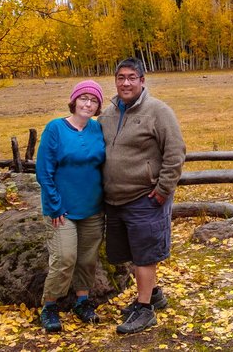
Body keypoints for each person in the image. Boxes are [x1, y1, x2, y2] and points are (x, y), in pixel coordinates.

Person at [99, 57, 185, 335]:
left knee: (145, 255)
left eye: (131, 77)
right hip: (115, 198)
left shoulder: (158, 111)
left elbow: (175, 153)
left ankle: (145, 310)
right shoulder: (108, 114)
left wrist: (162, 192)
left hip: (145, 197)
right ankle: (153, 294)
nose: (125, 82)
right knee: (131, 253)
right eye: (121, 77)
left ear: (142, 80)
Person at [35, 79, 107, 333]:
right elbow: (44, 171)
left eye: (94, 100)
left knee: (87, 260)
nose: (88, 103)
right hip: (62, 210)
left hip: (93, 208)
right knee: (64, 258)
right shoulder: (56, 128)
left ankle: (82, 301)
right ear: (74, 100)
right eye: (84, 98)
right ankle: (50, 306)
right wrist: (55, 205)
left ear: (98, 106)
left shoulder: (98, 130)